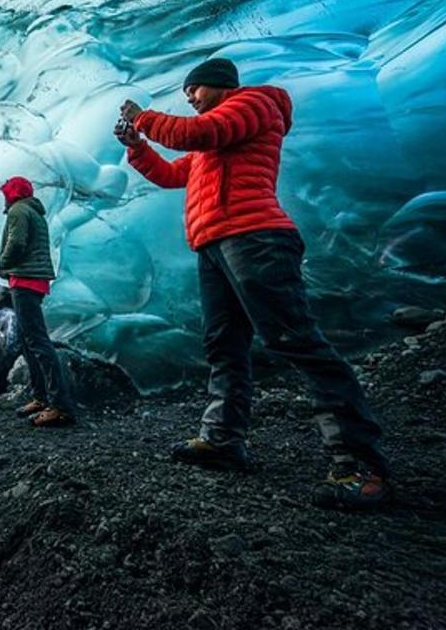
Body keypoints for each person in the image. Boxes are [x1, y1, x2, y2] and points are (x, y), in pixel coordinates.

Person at [116, 57, 390, 509]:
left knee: (295, 340)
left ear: (220, 86)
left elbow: (197, 132)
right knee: (224, 344)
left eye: (194, 90)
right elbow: (170, 175)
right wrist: (137, 146)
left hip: (255, 237)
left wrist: (141, 116)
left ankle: (361, 464)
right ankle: (223, 440)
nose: (189, 98)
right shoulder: (217, 142)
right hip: (216, 244)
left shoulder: (255, 105)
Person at [0, 177, 77, 428]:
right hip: (34, 281)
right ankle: (40, 396)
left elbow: (17, 243)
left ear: (12, 193)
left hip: (25, 281)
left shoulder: (19, 210)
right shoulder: (34, 212)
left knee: (38, 342)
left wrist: (3, 264)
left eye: (6, 193)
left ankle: (60, 406)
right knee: (27, 340)